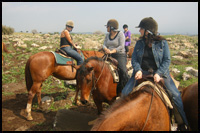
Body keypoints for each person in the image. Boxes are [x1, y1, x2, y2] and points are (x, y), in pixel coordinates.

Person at [121, 17, 189, 130]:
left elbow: (167, 60)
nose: (139, 31)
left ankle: (182, 124)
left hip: (160, 74)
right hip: (141, 72)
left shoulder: (162, 43)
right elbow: (134, 60)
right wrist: (137, 70)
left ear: (148, 31)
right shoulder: (139, 43)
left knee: (176, 96)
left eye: (141, 29)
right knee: (124, 93)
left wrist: (159, 73)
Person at [103, 19, 129, 96]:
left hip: (119, 55)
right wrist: (105, 49)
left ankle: (123, 90)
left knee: (123, 71)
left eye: (107, 26)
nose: (106, 28)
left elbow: (121, 46)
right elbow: (104, 44)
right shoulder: (107, 35)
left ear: (111, 27)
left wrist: (112, 51)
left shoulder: (120, 34)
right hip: (108, 54)